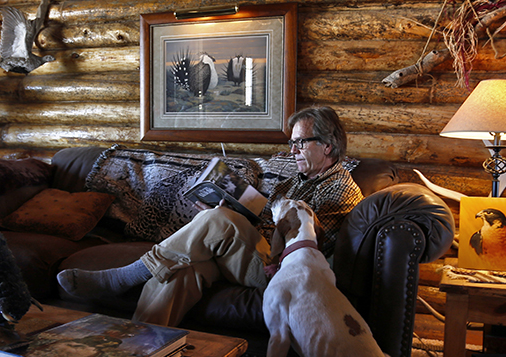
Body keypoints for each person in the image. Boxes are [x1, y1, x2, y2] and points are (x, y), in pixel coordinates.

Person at [57, 106, 364, 327]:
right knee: (182, 268)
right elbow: (266, 224)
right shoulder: (294, 182)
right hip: (258, 254)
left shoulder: (340, 190)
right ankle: (141, 354)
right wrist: (231, 210)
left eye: (301, 142)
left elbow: (301, 248)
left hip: (282, 273)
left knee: (218, 222)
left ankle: (126, 276)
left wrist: (227, 221)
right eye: (292, 143)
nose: (293, 150)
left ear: (327, 145)